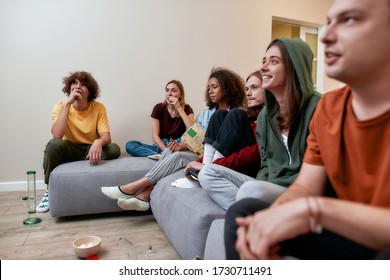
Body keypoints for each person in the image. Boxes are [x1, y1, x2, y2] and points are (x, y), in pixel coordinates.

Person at [225, 0, 390, 260]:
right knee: (245, 214)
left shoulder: (315, 105)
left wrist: (315, 210)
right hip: (347, 234)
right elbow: (304, 188)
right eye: (330, 22)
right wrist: (270, 221)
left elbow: (313, 200)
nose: (327, 36)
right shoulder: (331, 109)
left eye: (349, 19)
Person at [101, 67, 259, 211]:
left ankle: (136, 188)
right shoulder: (204, 113)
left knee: (173, 154)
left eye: (215, 87)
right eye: (209, 87)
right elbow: (192, 137)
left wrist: (179, 110)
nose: (210, 91)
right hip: (193, 150)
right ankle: (145, 194)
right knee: (161, 149)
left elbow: (193, 130)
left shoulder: (237, 115)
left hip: (208, 155)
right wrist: (179, 145)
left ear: (227, 88)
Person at [198, 38, 321, 211]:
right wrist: (262, 184)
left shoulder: (318, 108)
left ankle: (249, 211)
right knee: (207, 173)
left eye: (274, 61)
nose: (263, 68)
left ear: (295, 67)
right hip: (269, 185)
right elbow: (265, 165)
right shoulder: (265, 117)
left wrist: (258, 188)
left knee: (250, 190)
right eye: (264, 61)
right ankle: (252, 212)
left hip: (300, 190)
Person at [37, 71, 121, 213]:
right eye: (74, 83)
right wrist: (68, 104)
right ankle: (48, 190)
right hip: (69, 147)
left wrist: (98, 142)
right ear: (69, 88)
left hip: (89, 149)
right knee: (53, 145)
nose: (78, 87)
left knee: (114, 149)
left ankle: (87, 157)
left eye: (83, 84)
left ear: (90, 91)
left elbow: (106, 137)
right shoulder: (61, 106)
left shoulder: (98, 107)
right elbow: (57, 135)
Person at [125, 80, 194, 157]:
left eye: (174, 91)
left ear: (181, 95)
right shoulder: (158, 108)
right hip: (161, 145)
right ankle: (159, 155)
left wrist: (179, 108)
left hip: (178, 146)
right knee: (130, 145)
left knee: (192, 149)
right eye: (167, 90)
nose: (169, 93)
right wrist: (166, 151)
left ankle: (164, 156)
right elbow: (155, 136)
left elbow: (193, 131)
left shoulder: (187, 109)